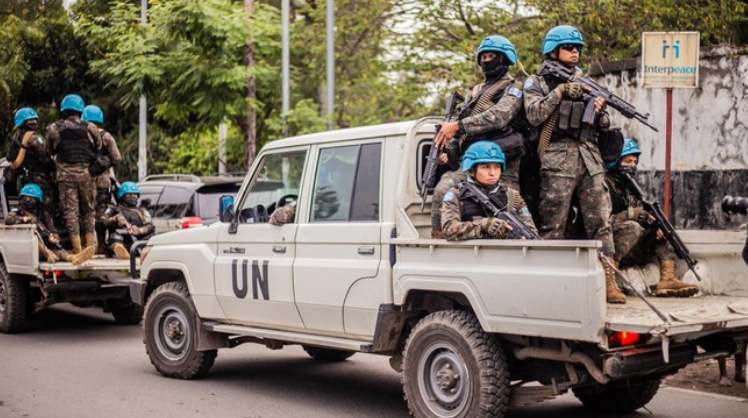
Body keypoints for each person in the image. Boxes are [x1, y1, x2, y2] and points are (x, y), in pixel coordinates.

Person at [523, 25, 625, 303]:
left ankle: (609, 282)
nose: (575, 52)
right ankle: (550, 286)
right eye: (569, 47)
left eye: (578, 47)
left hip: (590, 158)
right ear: (553, 50)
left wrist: (599, 108)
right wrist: (560, 93)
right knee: (553, 224)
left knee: (600, 222)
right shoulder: (538, 82)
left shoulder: (585, 80)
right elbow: (532, 115)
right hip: (557, 158)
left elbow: (603, 124)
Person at [431, 35, 527, 238]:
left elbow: (500, 116)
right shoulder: (474, 92)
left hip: (503, 164)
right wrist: (449, 150)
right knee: (443, 190)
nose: (486, 61)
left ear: (504, 58)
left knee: (509, 210)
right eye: (483, 56)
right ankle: (438, 242)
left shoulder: (514, 88)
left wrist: (457, 126)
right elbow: (461, 130)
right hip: (473, 165)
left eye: (492, 56)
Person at [606, 139, 699, 297]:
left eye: (635, 162)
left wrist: (654, 229)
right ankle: (609, 277)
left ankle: (668, 278)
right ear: (616, 162)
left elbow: (644, 219)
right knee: (633, 227)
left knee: (663, 229)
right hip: (610, 249)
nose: (632, 165)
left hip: (633, 248)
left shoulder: (630, 190)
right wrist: (632, 214)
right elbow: (602, 224)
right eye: (628, 161)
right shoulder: (605, 185)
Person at [441, 141, 537, 241]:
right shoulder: (457, 194)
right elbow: (449, 230)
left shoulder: (512, 196)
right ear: (471, 171)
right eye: (486, 167)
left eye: (497, 167)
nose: (492, 173)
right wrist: (483, 225)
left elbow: (531, 231)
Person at [46, 94, 102, 255]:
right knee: (88, 210)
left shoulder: (54, 129)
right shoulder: (90, 127)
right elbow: (97, 147)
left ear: (63, 110)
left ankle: (77, 249)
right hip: (86, 176)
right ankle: (90, 246)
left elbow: (49, 151)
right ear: (80, 110)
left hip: (66, 177)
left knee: (71, 212)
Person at [5, 184, 94, 266]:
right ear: (21, 198)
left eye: (31, 198)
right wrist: (23, 219)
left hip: (45, 244)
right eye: (26, 198)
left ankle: (74, 258)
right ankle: (48, 254)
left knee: (56, 248)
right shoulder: (18, 211)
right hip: (29, 248)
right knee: (34, 238)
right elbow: (9, 219)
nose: (28, 200)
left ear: (37, 200)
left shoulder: (43, 214)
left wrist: (54, 238)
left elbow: (52, 229)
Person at [7, 107, 57, 230]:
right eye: (32, 121)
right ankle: (48, 236)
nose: (34, 123)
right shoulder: (34, 138)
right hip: (39, 181)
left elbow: (9, 157)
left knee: (25, 210)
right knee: (45, 211)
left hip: (22, 181)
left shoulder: (15, 138)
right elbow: (45, 158)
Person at [82, 105, 123, 253]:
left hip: (84, 182)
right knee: (101, 215)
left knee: (85, 213)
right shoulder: (106, 136)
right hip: (103, 183)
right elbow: (117, 158)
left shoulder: (81, 136)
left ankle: (87, 247)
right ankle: (101, 246)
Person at [102, 182, 155, 259]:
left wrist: (139, 230)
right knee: (115, 236)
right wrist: (114, 219)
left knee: (152, 237)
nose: (133, 197)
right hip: (122, 240)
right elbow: (103, 221)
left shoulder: (142, 211)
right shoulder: (114, 209)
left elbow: (150, 225)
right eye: (129, 195)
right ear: (122, 196)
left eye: (135, 194)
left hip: (138, 241)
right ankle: (119, 250)